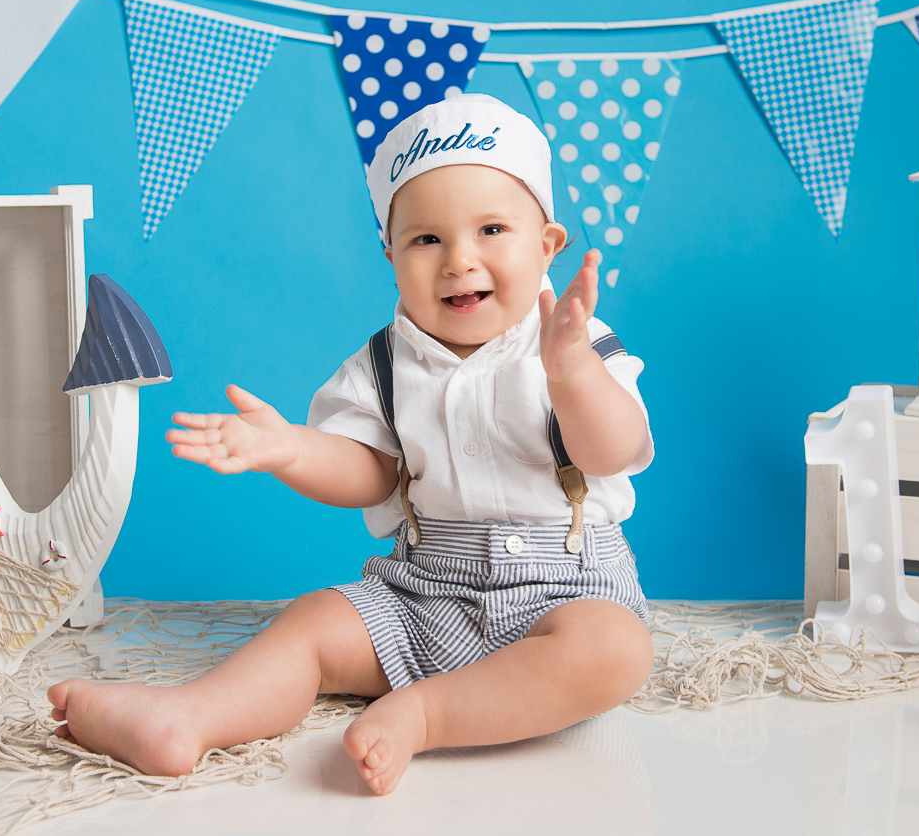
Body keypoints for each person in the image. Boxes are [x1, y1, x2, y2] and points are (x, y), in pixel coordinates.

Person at [48, 93, 656, 794]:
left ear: (546, 244)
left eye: (492, 229)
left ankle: (424, 714)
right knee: (311, 624)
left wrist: (573, 374)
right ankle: (188, 717)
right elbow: (368, 471)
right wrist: (291, 451)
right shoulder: (386, 363)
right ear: (392, 255)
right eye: (427, 239)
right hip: (426, 594)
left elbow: (614, 449)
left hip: (567, 594)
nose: (460, 260)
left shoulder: (573, 345)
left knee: (616, 652)